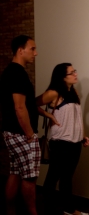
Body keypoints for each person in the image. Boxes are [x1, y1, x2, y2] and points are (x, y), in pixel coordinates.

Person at [36, 63, 89, 215]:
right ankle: (48, 208)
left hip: (75, 142)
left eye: (75, 71)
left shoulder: (73, 92)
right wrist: (48, 115)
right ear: (62, 77)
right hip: (60, 142)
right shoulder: (53, 93)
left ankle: (69, 209)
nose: (75, 74)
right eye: (71, 72)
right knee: (53, 176)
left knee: (67, 177)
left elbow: (77, 118)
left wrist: (83, 136)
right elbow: (32, 104)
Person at [0, 35, 39, 215]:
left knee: (15, 173)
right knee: (30, 176)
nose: (35, 53)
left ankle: (10, 211)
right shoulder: (17, 73)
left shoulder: (11, 71)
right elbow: (20, 107)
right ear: (20, 50)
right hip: (21, 133)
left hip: (11, 131)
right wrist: (30, 134)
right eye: (32, 49)